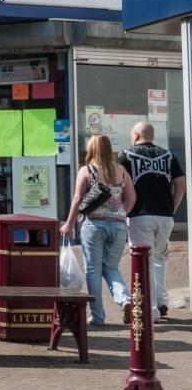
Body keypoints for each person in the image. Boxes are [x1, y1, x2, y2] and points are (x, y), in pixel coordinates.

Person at [63, 134, 136, 326]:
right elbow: (132, 198)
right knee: (111, 268)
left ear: (92, 150)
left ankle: (98, 316)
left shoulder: (87, 171)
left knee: (93, 270)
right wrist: (121, 215)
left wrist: (69, 223)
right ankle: (126, 300)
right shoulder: (121, 171)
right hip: (119, 226)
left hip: (94, 225)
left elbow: (78, 199)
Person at [120, 121, 185, 321]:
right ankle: (161, 301)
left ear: (136, 135)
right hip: (165, 216)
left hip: (140, 215)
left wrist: (123, 211)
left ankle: (151, 310)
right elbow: (181, 185)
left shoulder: (126, 155)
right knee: (159, 258)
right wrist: (171, 209)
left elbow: (118, 182)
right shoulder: (168, 155)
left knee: (143, 261)